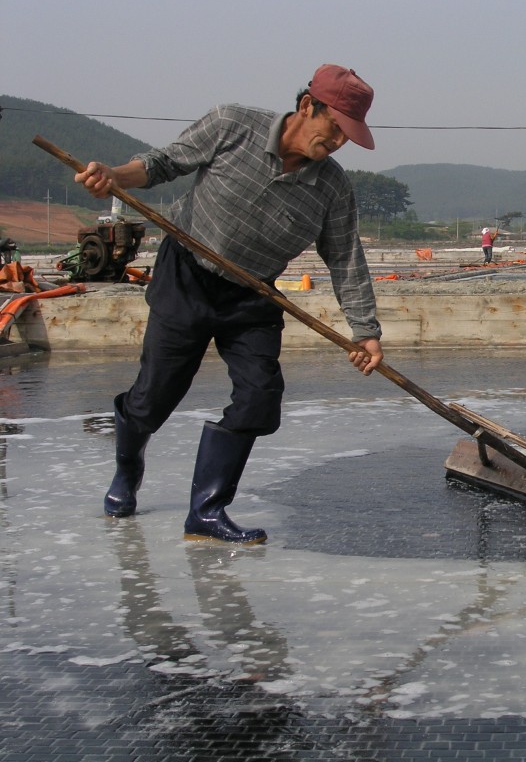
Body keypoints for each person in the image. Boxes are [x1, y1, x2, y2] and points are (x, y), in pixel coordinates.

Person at [74, 64, 384, 545]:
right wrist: (114, 176)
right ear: (307, 106)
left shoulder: (332, 187)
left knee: (260, 399)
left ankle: (207, 511)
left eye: (349, 136)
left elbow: (345, 258)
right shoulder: (232, 125)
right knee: (155, 395)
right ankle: (127, 467)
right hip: (186, 276)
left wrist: (366, 331)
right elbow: (162, 164)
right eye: (336, 128)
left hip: (253, 293)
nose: (338, 143)